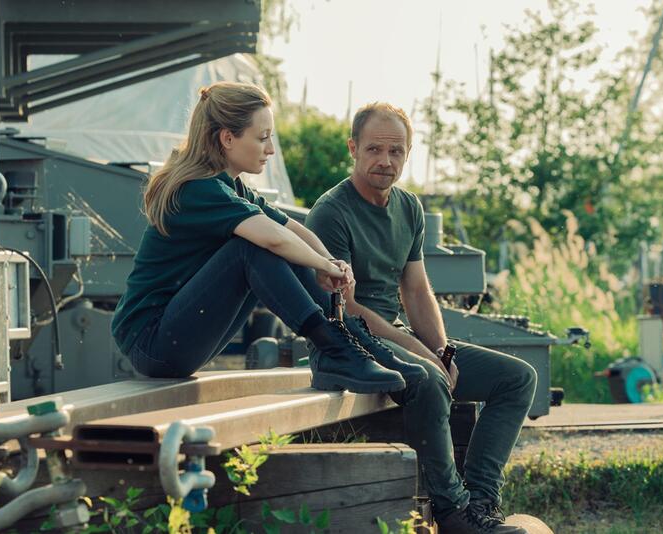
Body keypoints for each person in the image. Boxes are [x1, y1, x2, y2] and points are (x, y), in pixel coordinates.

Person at [305, 102, 538, 534]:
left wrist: (442, 350)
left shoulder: (408, 208)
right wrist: (421, 354)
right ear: (353, 148)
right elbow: (346, 308)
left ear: (407, 154)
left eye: (396, 152)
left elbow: (416, 289)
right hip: (342, 343)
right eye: (374, 149)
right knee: (428, 378)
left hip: (391, 339)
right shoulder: (331, 212)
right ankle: (451, 512)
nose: (385, 161)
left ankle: (480, 505)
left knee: (517, 378)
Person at [111, 82, 425, 394]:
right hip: (151, 342)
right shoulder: (198, 188)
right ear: (228, 138)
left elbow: (291, 229)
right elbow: (273, 239)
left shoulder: (233, 187)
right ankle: (334, 348)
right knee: (251, 248)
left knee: (278, 246)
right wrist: (323, 266)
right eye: (262, 138)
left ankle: (352, 345)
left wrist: (329, 261)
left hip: (175, 339)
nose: (271, 149)